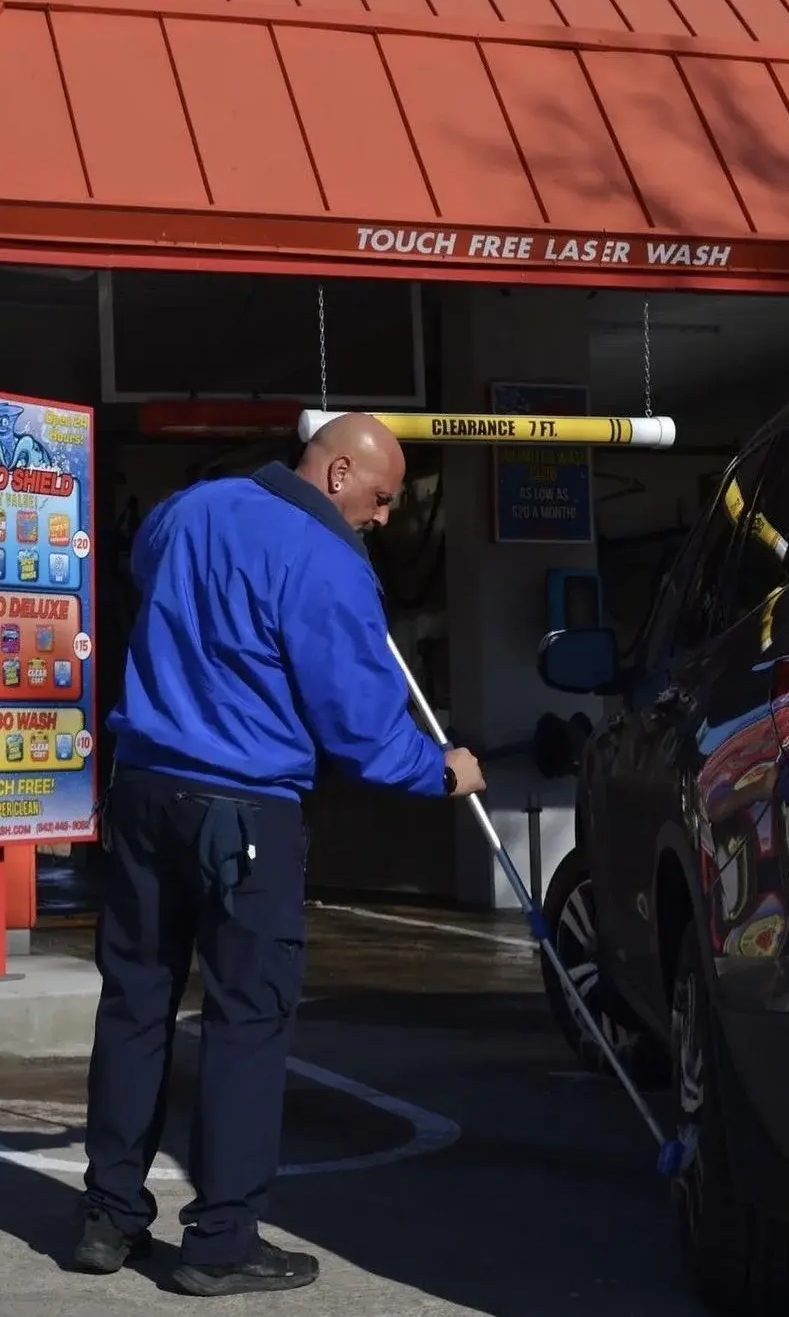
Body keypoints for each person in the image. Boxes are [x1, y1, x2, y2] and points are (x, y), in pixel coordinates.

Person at [75, 414, 486, 1296]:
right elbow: (360, 728)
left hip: (145, 792)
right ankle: (219, 1243)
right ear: (339, 471)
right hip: (246, 810)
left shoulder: (187, 511)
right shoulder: (328, 560)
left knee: (136, 1004)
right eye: (380, 498)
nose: (382, 517)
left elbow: (148, 581)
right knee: (246, 1022)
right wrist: (441, 771)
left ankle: (108, 1218)